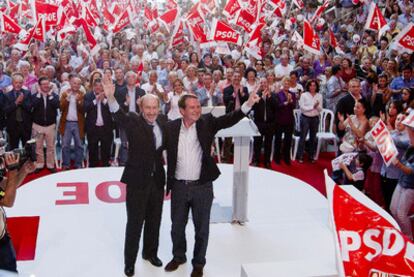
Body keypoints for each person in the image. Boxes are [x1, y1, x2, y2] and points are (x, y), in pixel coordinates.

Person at [163, 92, 259, 277]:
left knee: (202, 229)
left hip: (202, 187)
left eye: (198, 106)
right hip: (179, 187)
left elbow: (229, 119)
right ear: (182, 110)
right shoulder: (171, 128)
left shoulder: (207, 122)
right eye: (192, 107)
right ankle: (178, 256)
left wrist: (248, 104)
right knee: (176, 227)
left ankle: (198, 263)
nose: (197, 110)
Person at [103, 77, 167, 277]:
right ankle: (129, 263)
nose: (151, 112)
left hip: (157, 180)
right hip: (137, 181)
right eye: (147, 108)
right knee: (135, 223)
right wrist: (111, 97)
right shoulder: (132, 120)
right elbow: (118, 114)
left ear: (159, 108)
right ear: (141, 107)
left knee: (155, 220)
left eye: (154, 108)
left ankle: (150, 253)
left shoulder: (164, 121)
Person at [0, 153, 35, 273]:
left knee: (10, 272)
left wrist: (23, 171)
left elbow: (6, 186)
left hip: (3, 238)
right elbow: (8, 201)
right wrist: (13, 170)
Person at [31, 77, 60, 173]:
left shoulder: (54, 96)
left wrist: (50, 94)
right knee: (38, 146)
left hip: (50, 126)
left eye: (47, 84)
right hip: (38, 126)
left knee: (50, 146)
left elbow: (56, 105)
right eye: (43, 84)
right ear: (39, 86)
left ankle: (50, 165)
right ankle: (39, 164)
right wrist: (39, 94)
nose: (46, 86)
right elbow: (33, 105)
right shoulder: (35, 96)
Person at [84, 79, 114, 167]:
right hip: (93, 128)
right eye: (96, 85)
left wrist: (104, 100)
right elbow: (85, 108)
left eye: (100, 85)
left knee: (106, 149)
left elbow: (113, 109)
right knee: (93, 150)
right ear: (93, 87)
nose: (98, 87)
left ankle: (105, 166)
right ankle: (93, 168)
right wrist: (95, 100)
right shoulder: (88, 95)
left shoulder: (108, 95)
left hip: (106, 128)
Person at [2, 73, 32, 150]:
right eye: (16, 82)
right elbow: (6, 110)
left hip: (25, 126)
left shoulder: (27, 93)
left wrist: (21, 102)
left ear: (23, 83)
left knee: (27, 148)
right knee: (13, 148)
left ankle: (27, 162)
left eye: (20, 83)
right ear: (12, 83)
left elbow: (29, 108)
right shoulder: (7, 95)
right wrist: (16, 102)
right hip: (13, 126)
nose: (18, 85)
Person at [252, 78, 277, 168]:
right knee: (257, 143)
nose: (263, 84)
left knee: (268, 143)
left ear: (268, 84)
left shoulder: (273, 95)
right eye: (261, 83)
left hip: (270, 124)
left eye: (264, 82)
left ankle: (267, 161)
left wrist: (269, 97)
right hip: (259, 123)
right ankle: (256, 160)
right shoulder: (256, 95)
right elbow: (253, 107)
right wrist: (260, 99)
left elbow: (276, 107)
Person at [297, 80, 323, 163]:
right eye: (311, 85)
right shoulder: (304, 95)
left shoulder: (319, 96)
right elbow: (302, 108)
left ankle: (311, 156)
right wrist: (313, 107)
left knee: (313, 138)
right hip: (305, 118)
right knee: (303, 137)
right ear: (308, 86)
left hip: (315, 118)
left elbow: (320, 109)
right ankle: (300, 155)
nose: (312, 87)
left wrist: (317, 106)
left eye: (314, 85)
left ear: (316, 87)